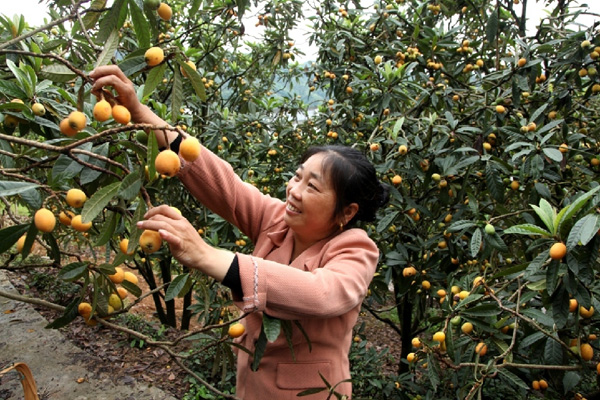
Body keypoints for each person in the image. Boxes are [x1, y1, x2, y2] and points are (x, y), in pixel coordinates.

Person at [90, 65, 390, 399]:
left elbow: (321, 293)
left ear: (346, 212)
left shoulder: (356, 249)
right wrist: (139, 111)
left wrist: (207, 255)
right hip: (251, 385)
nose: (294, 190)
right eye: (297, 176)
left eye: (313, 187)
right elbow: (225, 185)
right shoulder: (278, 221)